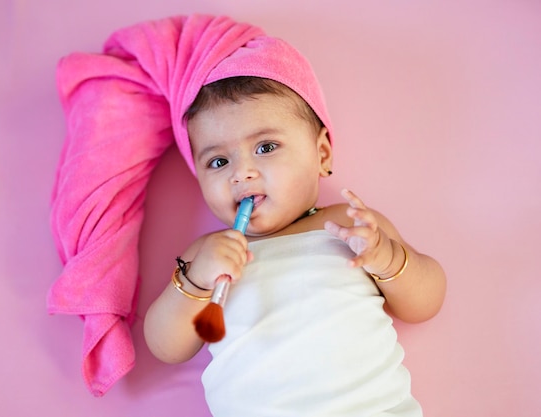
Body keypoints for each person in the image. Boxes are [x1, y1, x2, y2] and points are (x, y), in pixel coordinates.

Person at [143, 75, 447, 416]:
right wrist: (196, 280)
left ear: (321, 154)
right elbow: (165, 346)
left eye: (266, 147)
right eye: (218, 161)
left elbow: (426, 302)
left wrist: (386, 259)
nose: (241, 173)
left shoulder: (350, 224)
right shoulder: (206, 256)